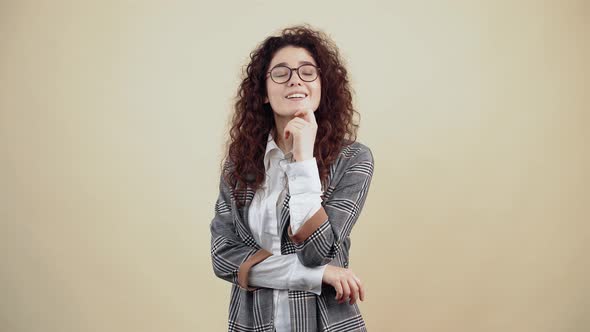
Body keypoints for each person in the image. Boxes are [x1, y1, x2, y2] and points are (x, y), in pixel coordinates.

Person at [210, 24, 374, 332]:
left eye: (307, 71)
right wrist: (319, 275)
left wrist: (303, 159)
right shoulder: (239, 165)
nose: (295, 79)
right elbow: (223, 257)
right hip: (252, 323)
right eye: (281, 72)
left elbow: (318, 251)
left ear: (322, 86)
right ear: (263, 93)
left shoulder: (353, 159)